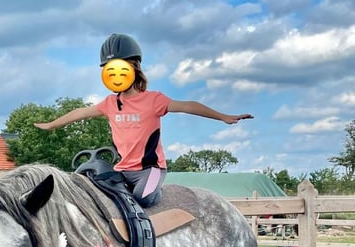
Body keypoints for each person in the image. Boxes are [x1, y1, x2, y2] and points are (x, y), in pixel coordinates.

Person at [35, 33, 253, 207]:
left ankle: (165, 200)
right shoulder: (110, 103)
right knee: (100, 199)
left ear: (134, 69)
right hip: (122, 169)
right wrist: (52, 125)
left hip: (150, 170)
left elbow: (188, 106)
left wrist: (224, 117)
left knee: (143, 198)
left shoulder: (154, 100)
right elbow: (79, 113)